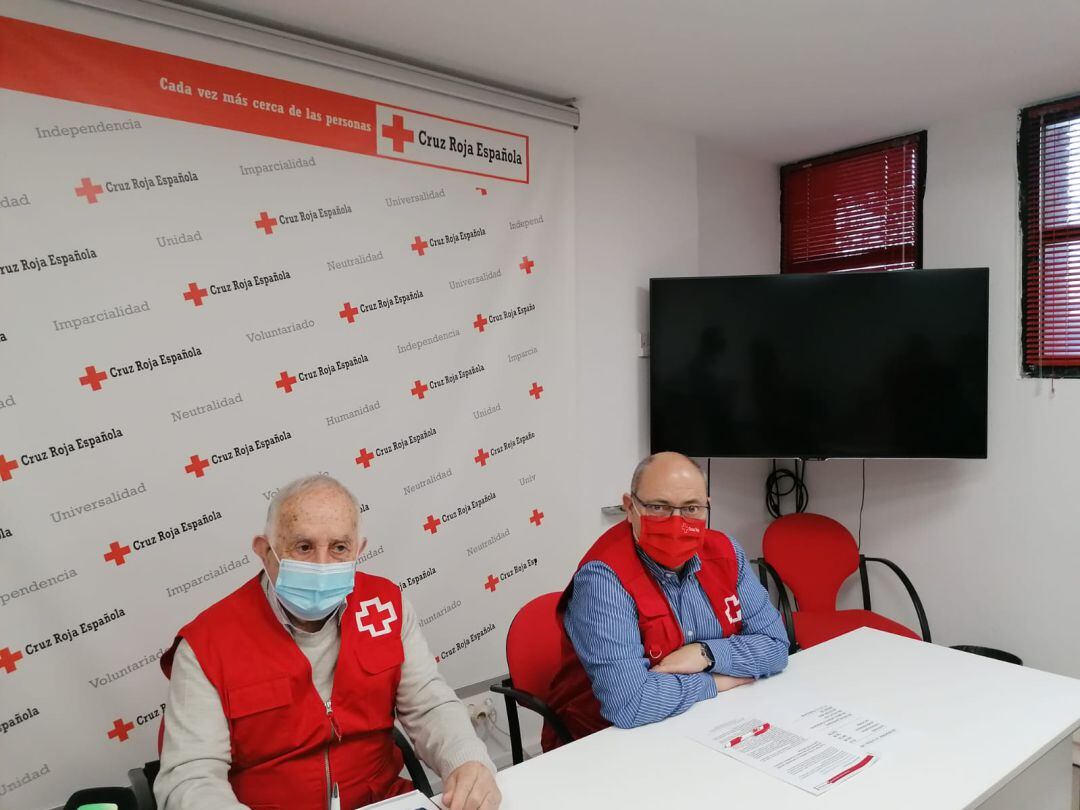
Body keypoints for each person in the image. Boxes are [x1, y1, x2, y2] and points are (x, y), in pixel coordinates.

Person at [156, 475, 500, 810]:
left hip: (380, 800)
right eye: (303, 547)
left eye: (338, 548)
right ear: (265, 551)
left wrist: (468, 761)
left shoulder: (385, 605)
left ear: (358, 550)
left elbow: (429, 705)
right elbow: (191, 777)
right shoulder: (207, 644)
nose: (322, 565)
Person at [544, 452, 789, 749]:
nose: (677, 522)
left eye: (691, 508)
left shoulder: (725, 553)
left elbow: (776, 645)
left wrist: (705, 654)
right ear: (629, 507)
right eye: (659, 507)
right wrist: (715, 683)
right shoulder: (604, 580)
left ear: (706, 507)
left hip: (701, 725)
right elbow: (630, 704)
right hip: (604, 744)